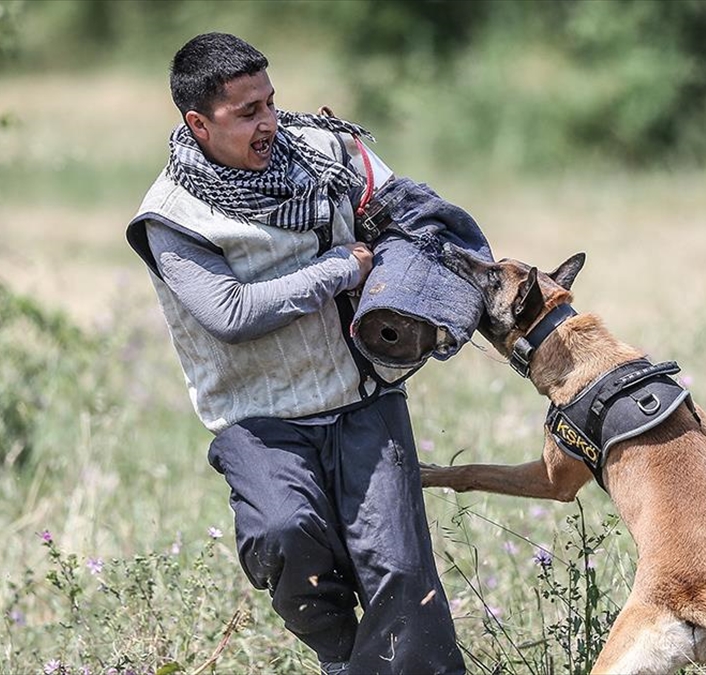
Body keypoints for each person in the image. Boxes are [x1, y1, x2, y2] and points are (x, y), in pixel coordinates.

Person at [125, 33, 465, 675]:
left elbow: (410, 213)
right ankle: (342, 659)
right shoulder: (172, 217)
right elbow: (231, 314)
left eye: (271, 103)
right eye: (246, 112)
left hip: (361, 400)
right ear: (198, 124)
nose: (269, 123)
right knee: (282, 535)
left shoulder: (328, 153)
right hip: (259, 419)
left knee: (400, 572)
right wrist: (339, 268)